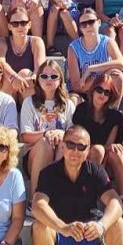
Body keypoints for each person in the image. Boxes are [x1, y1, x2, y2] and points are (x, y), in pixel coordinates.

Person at [31, 123, 123, 245]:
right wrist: (62, 228)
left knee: (118, 224)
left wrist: (101, 226)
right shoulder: (49, 173)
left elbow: (116, 203)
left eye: (81, 147)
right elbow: (37, 205)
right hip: (59, 240)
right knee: (39, 226)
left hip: (89, 237)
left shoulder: (96, 172)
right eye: (70, 145)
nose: (75, 151)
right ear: (62, 146)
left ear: (88, 150)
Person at [19, 59, 78, 192]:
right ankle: (34, 198)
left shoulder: (68, 104)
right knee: (45, 143)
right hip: (35, 156)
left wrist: (62, 133)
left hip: (60, 153)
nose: (49, 80)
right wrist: (45, 134)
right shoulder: (29, 102)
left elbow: (74, 135)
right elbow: (25, 136)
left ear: (60, 80)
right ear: (38, 79)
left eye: (54, 76)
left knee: (64, 143)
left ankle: (58, 197)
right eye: (44, 76)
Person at [73, 68, 123, 198]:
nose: (102, 94)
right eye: (99, 90)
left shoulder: (115, 116)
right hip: (83, 152)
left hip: (106, 156)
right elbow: (78, 140)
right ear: (92, 90)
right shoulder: (81, 110)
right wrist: (101, 150)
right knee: (98, 150)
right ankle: (88, 197)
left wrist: (106, 150)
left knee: (116, 153)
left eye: (107, 92)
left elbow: (111, 145)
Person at [65, 8, 123, 94]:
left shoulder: (107, 42)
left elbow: (121, 64)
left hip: (102, 90)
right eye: (83, 24)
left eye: (91, 22)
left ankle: (114, 103)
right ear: (80, 28)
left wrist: (91, 69)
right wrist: (103, 76)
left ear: (99, 22)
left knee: (118, 75)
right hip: (82, 92)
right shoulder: (73, 47)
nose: (88, 26)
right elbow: (77, 87)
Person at [0, 9, 46, 103]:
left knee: (25, 73)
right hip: (8, 88)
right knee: (7, 78)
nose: (20, 26)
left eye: (23, 23)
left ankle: (28, 110)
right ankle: (7, 110)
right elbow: (0, 62)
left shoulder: (36, 42)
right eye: (15, 24)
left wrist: (30, 80)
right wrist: (14, 78)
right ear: (9, 26)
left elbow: (40, 68)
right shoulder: (1, 42)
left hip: (28, 88)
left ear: (29, 25)